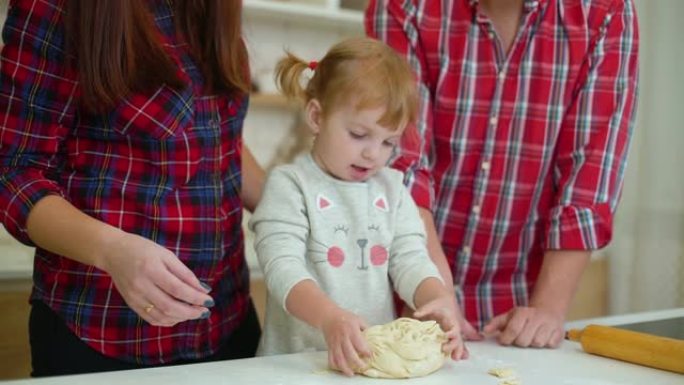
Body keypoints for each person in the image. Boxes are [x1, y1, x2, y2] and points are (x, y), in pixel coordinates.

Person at [0, 0, 264, 377]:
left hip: (226, 320)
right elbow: (14, 171)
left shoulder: (216, 9)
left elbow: (220, 140)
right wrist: (112, 250)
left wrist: (299, 207)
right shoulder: (56, 8)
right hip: (103, 332)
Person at [366, 0, 639, 348]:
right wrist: (434, 293)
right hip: (400, 291)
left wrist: (547, 309)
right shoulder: (402, 6)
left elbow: (590, 176)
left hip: (517, 312)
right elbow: (402, 164)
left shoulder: (605, 11)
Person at [248, 37, 465, 376]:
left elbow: (410, 258)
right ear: (317, 116)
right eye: (359, 134)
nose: (373, 153)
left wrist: (436, 297)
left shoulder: (393, 189)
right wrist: (329, 318)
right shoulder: (290, 186)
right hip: (294, 366)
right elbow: (282, 270)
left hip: (369, 364)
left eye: (388, 142)